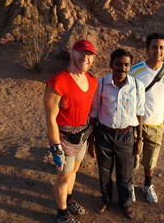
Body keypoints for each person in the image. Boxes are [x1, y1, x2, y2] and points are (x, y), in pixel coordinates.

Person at [44, 39, 98, 223]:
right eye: (81, 53)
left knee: (74, 170)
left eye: (90, 55)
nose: (86, 58)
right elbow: (50, 118)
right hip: (64, 138)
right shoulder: (57, 82)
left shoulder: (92, 81)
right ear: (72, 53)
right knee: (63, 177)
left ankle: (68, 199)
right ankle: (62, 214)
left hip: (82, 135)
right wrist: (56, 147)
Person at [88, 48, 145, 219]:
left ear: (130, 66)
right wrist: (91, 141)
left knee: (125, 173)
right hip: (104, 133)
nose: (122, 68)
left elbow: (140, 113)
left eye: (126, 65)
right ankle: (105, 199)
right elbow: (94, 113)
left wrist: (139, 139)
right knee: (104, 171)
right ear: (111, 64)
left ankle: (125, 203)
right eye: (118, 64)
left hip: (126, 135)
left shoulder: (137, 86)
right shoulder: (101, 84)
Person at [129, 33, 164, 204]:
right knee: (132, 158)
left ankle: (147, 185)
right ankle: (129, 185)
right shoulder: (136, 71)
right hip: (136, 124)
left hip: (158, 124)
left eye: (161, 47)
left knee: (151, 160)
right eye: (154, 47)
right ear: (147, 49)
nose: (158, 50)